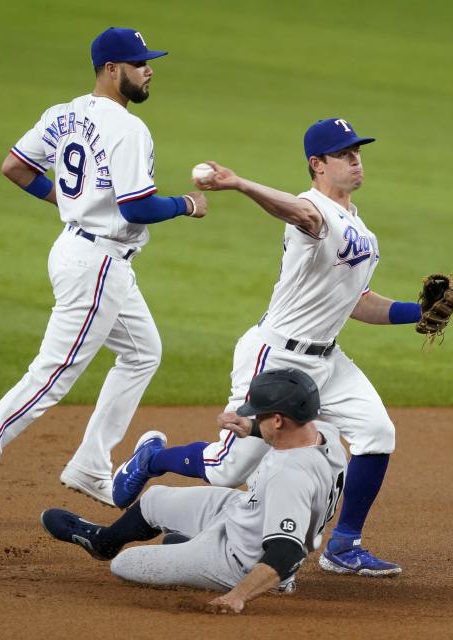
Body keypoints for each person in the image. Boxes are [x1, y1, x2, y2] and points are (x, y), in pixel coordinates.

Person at [112, 118, 426, 577]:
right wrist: (239, 184)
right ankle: (152, 457)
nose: (355, 159)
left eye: (357, 151)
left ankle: (344, 545)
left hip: (327, 361)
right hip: (275, 357)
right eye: (344, 154)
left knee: (377, 432)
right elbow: (297, 212)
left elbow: (356, 302)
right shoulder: (311, 213)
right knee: (227, 470)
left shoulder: (358, 226)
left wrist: (415, 312)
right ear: (317, 165)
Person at [0, 27, 208, 528]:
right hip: (98, 265)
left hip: (79, 252)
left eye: (149, 61)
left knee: (144, 351)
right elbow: (137, 207)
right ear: (110, 69)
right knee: (49, 378)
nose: (149, 69)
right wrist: (186, 205)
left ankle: (89, 465)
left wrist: (67, 200)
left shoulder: (63, 113)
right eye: (138, 62)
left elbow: (14, 167)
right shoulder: (129, 129)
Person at [41, 368, 347, 614]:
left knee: (126, 565)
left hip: (239, 561)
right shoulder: (326, 436)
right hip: (246, 511)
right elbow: (287, 445)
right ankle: (103, 542)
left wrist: (237, 597)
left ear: (279, 420)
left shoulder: (289, 477)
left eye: (261, 415)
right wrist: (252, 429)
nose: (256, 418)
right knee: (155, 499)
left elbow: (287, 551)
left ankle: (197, 551)